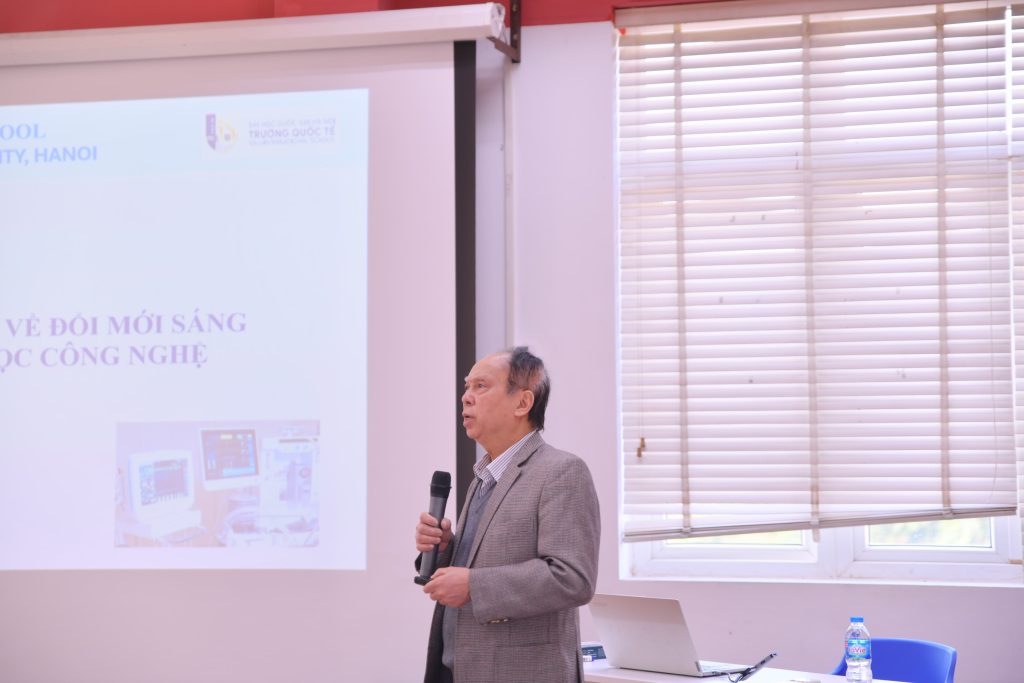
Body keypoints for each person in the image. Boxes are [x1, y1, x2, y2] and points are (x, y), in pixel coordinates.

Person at [415, 347, 600, 683]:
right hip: (459, 670)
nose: (466, 397)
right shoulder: (484, 477)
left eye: (481, 386)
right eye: (467, 387)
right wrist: (446, 548)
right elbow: (482, 560)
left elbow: (573, 578)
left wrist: (474, 586)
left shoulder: (562, 472)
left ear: (523, 403)